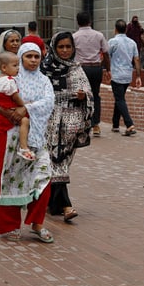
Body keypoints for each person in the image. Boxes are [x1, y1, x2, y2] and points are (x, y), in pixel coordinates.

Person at [0, 42, 55, 243]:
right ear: (20, 58)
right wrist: (7, 112)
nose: (32, 60)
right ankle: (10, 226)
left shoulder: (44, 81)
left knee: (44, 177)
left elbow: (49, 102)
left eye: (36, 56)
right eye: (28, 56)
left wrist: (25, 109)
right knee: (8, 180)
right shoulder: (9, 78)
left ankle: (37, 222)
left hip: (35, 138)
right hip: (8, 136)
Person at [41, 32, 93, 222]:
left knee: (60, 162)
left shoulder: (76, 69)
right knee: (57, 162)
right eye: (61, 47)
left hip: (71, 125)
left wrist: (83, 96)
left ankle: (51, 203)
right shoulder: (44, 69)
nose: (64, 50)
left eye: (68, 47)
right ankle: (66, 206)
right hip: (49, 123)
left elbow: (88, 93)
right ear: (54, 47)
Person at [0, 52, 34, 160]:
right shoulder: (10, 82)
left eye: (18, 65)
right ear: (4, 68)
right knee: (25, 121)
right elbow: (15, 97)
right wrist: (23, 105)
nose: (18, 68)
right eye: (15, 66)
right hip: (8, 111)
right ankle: (23, 147)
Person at [73, 12, 108, 137]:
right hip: (96, 68)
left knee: (81, 96)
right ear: (90, 21)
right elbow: (106, 52)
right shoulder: (99, 35)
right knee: (95, 95)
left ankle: (83, 124)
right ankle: (96, 124)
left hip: (81, 69)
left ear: (77, 22)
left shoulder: (74, 37)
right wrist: (107, 69)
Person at [108, 19, 142, 136]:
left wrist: (108, 70)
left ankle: (129, 124)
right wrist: (138, 76)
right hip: (128, 74)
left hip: (116, 74)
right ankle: (115, 124)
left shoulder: (113, 42)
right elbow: (136, 59)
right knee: (120, 97)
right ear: (126, 29)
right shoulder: (132, 43)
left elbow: (107, 55)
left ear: (115, 29)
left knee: (120, 99)